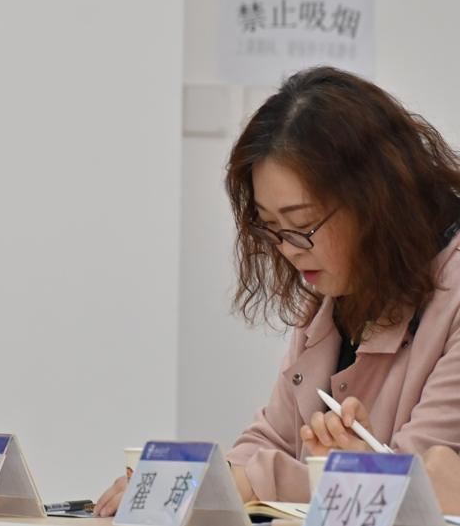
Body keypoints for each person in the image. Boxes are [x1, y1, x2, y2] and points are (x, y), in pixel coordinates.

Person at [96, 67, 460, 513]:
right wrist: (200, 484)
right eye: (271, 227)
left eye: (303, 224)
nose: (288, 249)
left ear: (378, 200)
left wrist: (252, 480)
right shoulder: (341, 290)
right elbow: (272, 437)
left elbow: (427, 481)